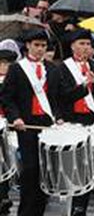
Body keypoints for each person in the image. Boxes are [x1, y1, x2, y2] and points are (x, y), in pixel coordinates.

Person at [0, 30, 59, 216]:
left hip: (47, 126)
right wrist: (15, 117)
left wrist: (82, 88)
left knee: (45, 171)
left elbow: (60, 97)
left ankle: (39, 211)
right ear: (28, 46)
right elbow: (7, 98)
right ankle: (25, 212)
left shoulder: (52, 69)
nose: (40, 49)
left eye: (43, 46)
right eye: (37, 45)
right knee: (30, 169)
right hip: (26, 126)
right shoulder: (18, 69)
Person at [56, 29, 94, 216]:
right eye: (81, 44)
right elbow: (61, 96)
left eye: (88, 44)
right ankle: (69, 205)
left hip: (91, 122)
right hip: (71, 121)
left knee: (86, 166)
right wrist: (83, 88)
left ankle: (80, 206)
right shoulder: (61, 68)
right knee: (72, 166)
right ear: (72, 46)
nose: (86, 48)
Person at [0, 49, 16, 215]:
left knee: (6, 161)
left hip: (9, 126)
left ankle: (4, 195)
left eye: (8, 64)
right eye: (2, 63)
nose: (5, 66)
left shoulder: (13, 82)